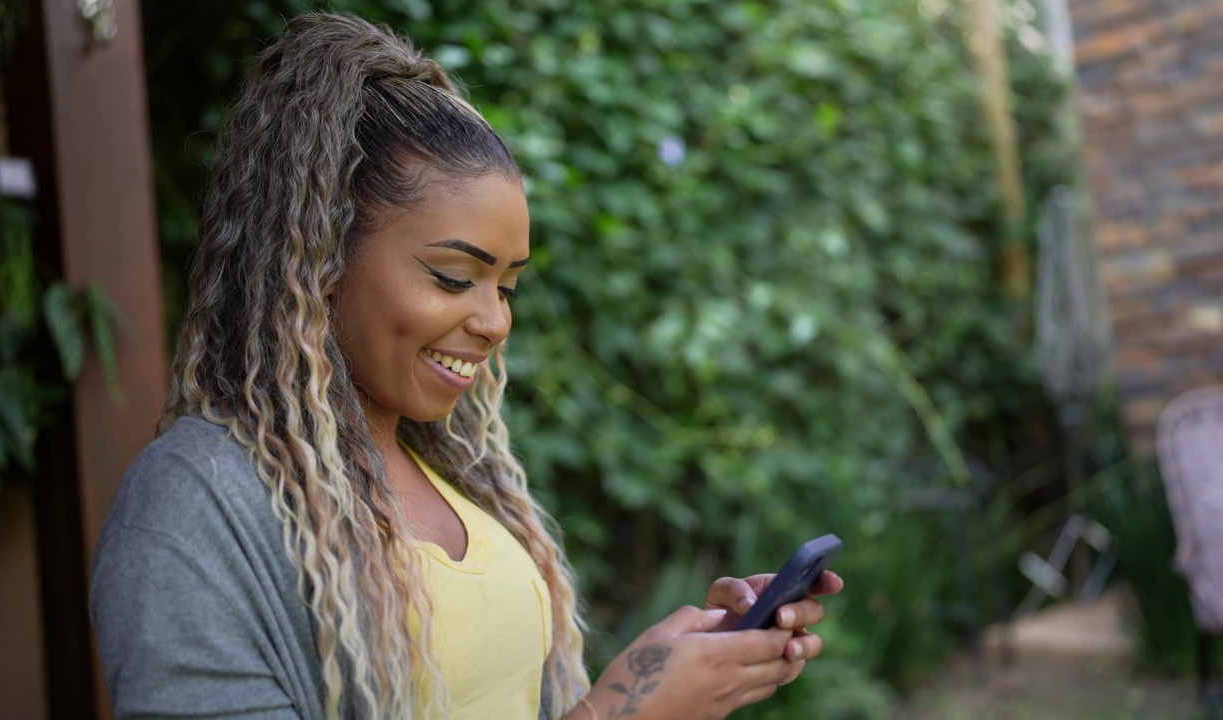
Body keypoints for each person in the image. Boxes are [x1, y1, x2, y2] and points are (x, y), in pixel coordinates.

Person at [90, 11, 843, 720]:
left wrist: (666, 674)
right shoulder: (192, 508)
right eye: (454, 278)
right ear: (315, 258)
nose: (494, 321)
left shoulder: (449, 476)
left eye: (507, 286)